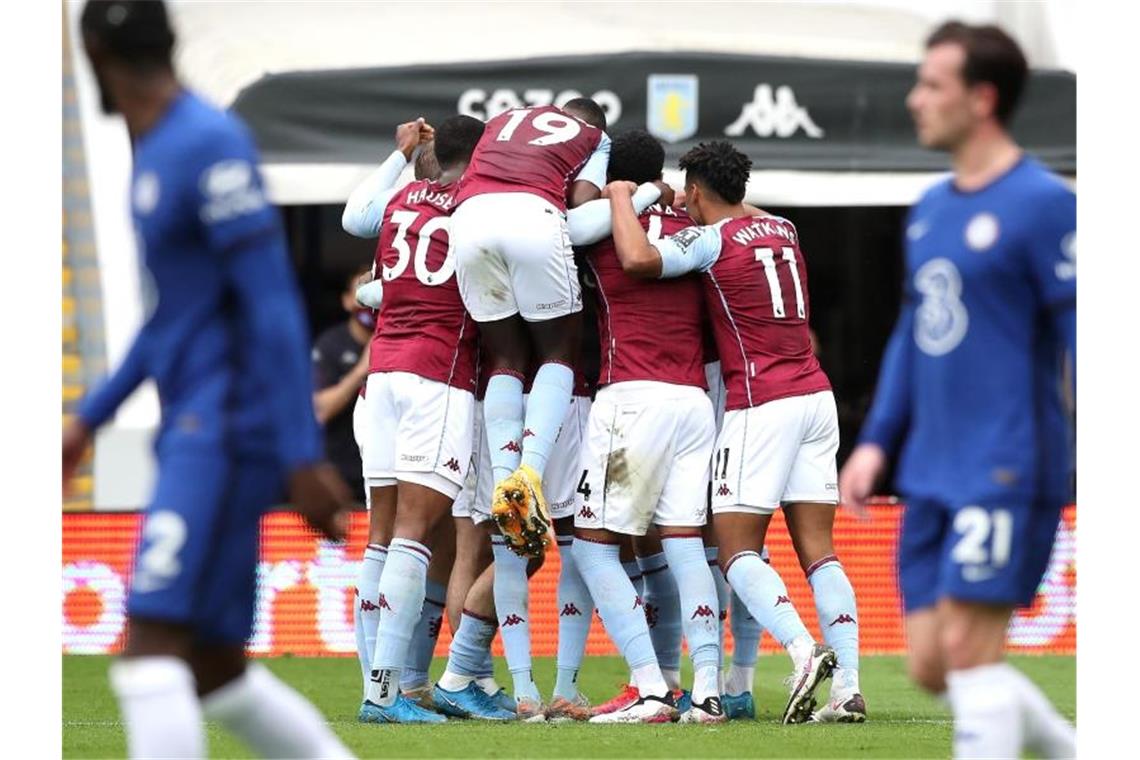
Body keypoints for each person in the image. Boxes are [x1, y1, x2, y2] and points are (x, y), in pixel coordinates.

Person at [61, 3, 354, 758]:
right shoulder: (157, 148)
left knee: (151, 645)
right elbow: (173, 319)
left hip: (223, 432)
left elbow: (272, 304)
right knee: (214, 668)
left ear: (92, 50)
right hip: (197, 423)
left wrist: (300, 452)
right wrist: (90, 418)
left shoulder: (207, 143)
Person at [838, 21, 1076, 757]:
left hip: (1005, 463)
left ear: (982, 98)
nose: (915, 99)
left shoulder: (1045, 203)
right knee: (933, 666)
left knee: (972, 657)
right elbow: (916, 335)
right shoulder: (932, 210)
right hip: (930, 470)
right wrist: (876, 442)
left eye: (932, 84)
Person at [604, 139, 862, 725]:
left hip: (762, 402)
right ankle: (848, 688)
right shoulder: (785, 229)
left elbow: (640, 260)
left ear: (693, 191)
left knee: (736, 546)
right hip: (816, 398)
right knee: (819, 551)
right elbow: (749, 214)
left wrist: (623, 198)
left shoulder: (709, 240)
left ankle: (801, 651)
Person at [340, 113, 486, 723]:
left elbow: (354, 218)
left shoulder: (401, 199)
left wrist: (401, 155)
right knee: (415, 535)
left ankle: (384, 687)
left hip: (383, 377)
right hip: (437, 376)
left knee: (380, 538)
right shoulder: (479, 206)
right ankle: (384, 694)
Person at [450, 98, 611, 559]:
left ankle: (504, 475)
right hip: (533, 217)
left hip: (469, 218)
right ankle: (530, 475)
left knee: (505, 355)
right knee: (559, 351)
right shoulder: (594, 137)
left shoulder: (501, 120)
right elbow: (580, 204)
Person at [312, 265, 374, 499]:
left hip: (390, 476)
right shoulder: (329, 344)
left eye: (375, 292)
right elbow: (319, 411)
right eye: (362, 293)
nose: (369, 302)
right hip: (342, 478)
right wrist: (360, 371)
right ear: (347, 301)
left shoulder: (403, 342)